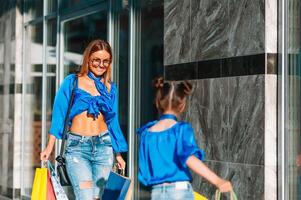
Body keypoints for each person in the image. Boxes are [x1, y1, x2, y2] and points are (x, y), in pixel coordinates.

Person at [40, 39, 128, 200]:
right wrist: (49, 147)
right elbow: (59, 114)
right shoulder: (72, 81)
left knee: (98, 197)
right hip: (77, 149)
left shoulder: (110, 87)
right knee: (85, 196)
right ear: (88, 59)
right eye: (96, 60)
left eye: (105, 61)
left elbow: (112, 121)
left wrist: (118, 154)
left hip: (104, 147)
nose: (101, 65)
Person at [137, 77, 233, 200]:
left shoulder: (147, 134)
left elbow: (145, 169)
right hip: (179, 192)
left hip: (157, 193)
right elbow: (188, 158)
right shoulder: (180, 130)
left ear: (157, 102)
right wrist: (218, 181)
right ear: (182, 105)